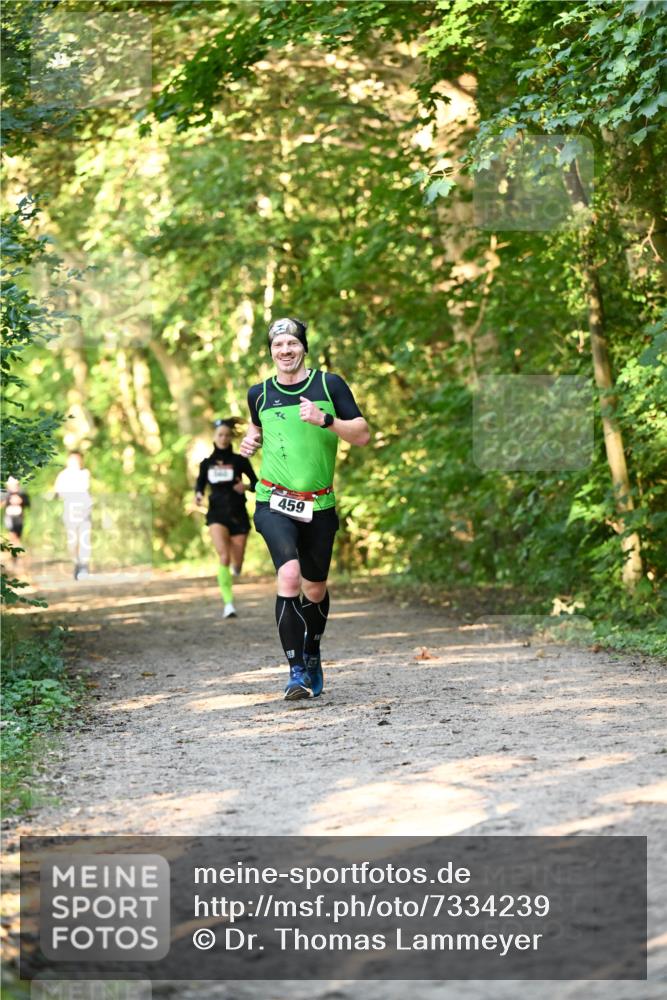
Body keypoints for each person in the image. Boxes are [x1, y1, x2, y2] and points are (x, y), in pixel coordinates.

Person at [240, 317, 370, 701]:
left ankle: (312, 651)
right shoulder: (259, 393)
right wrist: (251, 440)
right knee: (290, 576)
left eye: (292, 344)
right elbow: (258, 427)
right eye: (278, 345)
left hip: (319, 504)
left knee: (315, 588)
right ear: (270, 351)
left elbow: (361, 434)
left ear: (304, 348)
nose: (285, 351)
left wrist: (324, 419)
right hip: (273, 502)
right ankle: (295, 671)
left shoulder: (329, 385)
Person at [195, 418, 258, 619]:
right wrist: (198, 495)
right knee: (224, 556)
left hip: (238, 514)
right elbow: (199, 485)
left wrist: (246, 487)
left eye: (227, 435)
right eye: (220, 435)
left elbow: (257, 483)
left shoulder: (240, 460)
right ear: (214, 437)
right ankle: (228, 604)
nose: (223, 438)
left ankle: (235, 569)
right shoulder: (206, 464)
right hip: (216, 515)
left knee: (237, 564)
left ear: (231, 438)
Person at [54, 451, 93, 580]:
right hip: (70, 511)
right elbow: (59, 492)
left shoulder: (85, 473)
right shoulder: (63, 475)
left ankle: (84, 567)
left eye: (77, 460)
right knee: (73, 541)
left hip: (84, 511)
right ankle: (76, 563)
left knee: (85, 540)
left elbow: (84, 488)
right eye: (72, 460)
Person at [1, 476, 30, 562]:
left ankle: (16, 553)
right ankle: (14, 554)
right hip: (9, 517)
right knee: (12, 534)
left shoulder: (22, 493)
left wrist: (21, 501)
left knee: (18, 535)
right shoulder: (5, 493)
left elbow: (28, 504)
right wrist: (7, 500)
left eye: (15, 485)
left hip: (20, 517)